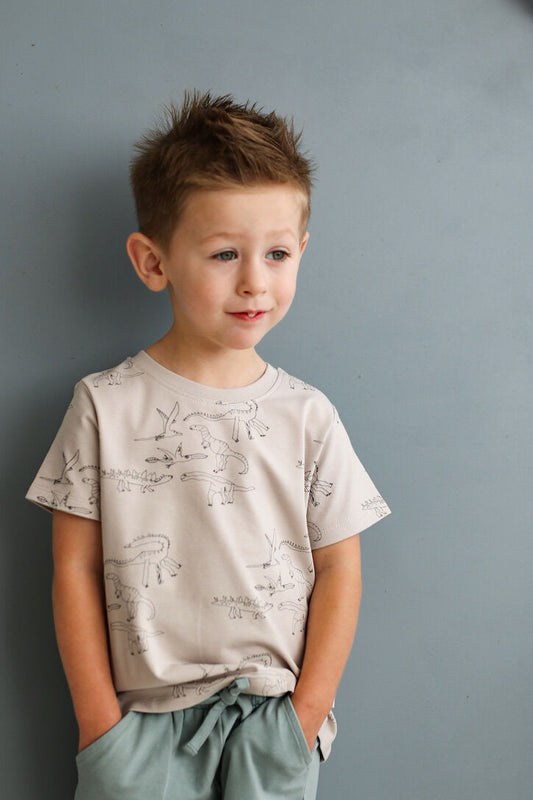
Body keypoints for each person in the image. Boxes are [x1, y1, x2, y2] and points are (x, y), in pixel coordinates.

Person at [26, 91, 391, 800]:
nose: (255, 280)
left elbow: (340, 569)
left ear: (301, 253)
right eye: (225, 253)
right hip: (139, 727)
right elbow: (72, 567)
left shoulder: (308, 414)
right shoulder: (104, 404)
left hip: (271, 721)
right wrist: (100, 726)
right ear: (152, 261)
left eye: (277, 253)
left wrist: (303, 716)